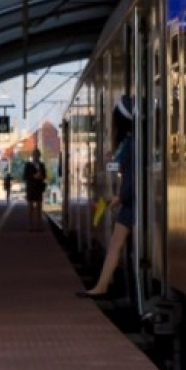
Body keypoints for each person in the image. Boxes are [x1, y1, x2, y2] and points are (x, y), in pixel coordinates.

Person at [78, 95, 134, 298]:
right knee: (116, 244)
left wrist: (121, 197)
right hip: (131, 201)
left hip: (131, 203)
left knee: (115, 244)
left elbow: (128, 173)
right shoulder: (134, 142)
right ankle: (102, 285)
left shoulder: (130, 144)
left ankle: (102, 286)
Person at [23, 148, 47, 231]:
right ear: (32, 155)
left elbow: (44, 175)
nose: (36, 156)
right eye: (35, 155)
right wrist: (33, 176)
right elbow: (25, 176)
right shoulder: (28, 165)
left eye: (38, 155)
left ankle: (39, 225)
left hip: (39, 188)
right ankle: (30, 225)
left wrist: (41, 176)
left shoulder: (41, 165)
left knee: (39, 207)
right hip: (31, 188)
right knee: (30, 207)